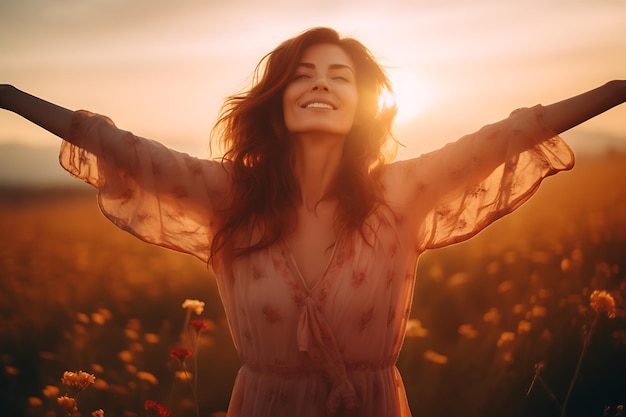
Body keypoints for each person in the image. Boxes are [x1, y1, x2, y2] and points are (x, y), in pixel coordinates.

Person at [1, 27, 624, 417]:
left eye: (339, 77)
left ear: (361, 104)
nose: (320, 86)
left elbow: (509, 136)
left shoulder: (401, 193)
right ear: (277, 100)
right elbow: (116, 145)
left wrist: (617, 88)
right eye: (303, 76)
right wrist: (7, 93)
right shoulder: (227, 195)